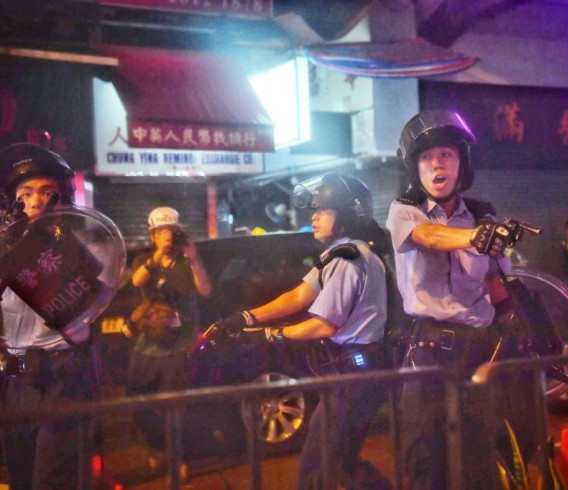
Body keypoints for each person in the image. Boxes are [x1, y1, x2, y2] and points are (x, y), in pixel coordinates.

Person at [387, 110, 535, 488]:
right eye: (427, 157)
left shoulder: (483, 215)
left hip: (478, 352)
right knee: (427, 465)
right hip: (428, 357)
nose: (437, 163)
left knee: (479, 463)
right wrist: (475, 237)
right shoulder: (404, 211)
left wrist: (518, 328)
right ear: (415, 169)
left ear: (460, 165)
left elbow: (494, 279)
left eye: (447, 155)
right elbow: (430, 238)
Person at [219, 172, 392, 490]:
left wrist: (271, 335)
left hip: (354, 378)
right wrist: (246, 317)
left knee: (317, 465)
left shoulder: (350, 260)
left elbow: (323, 324)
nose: (314, 216)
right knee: (340, 465)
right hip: (349, 377)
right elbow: (298, 295)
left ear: (345, 216)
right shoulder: (338, 256)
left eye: (324, 210)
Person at [0, 143, 99, 489]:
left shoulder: (81, 246)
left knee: (53, 479)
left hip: (61, 377)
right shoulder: (4, 247)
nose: (35, 200)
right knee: (21, 476)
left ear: (62, 198)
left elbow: (85, 318)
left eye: (46, 192)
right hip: (14, 379)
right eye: (25, 192)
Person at [127, 206, 212, 471]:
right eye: (161, 232)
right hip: (151, 341)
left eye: (172, 231)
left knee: (175, 405)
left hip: (182, 341)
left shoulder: (187, 261)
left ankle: (179, 459)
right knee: (135, 399)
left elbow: (205, 290)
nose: (167, 236)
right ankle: (157, 447)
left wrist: (195, 260)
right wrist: (159, 255)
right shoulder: (145, 259)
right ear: (153, 236)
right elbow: (137, 281)